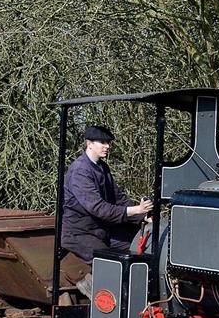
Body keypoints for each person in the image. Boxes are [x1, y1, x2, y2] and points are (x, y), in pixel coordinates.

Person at [60, 125, 153, 298]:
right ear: (89, 144)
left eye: (108, 142)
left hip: (102, 229)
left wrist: (144, 215)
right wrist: (134, 210)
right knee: (111, 263)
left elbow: (117, 198)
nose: (107, 146)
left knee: (137, 247)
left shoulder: (102, 168)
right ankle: (96, 291)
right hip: (80, 233)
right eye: (102, 142)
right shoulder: (80, 171)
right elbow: (98, 208)